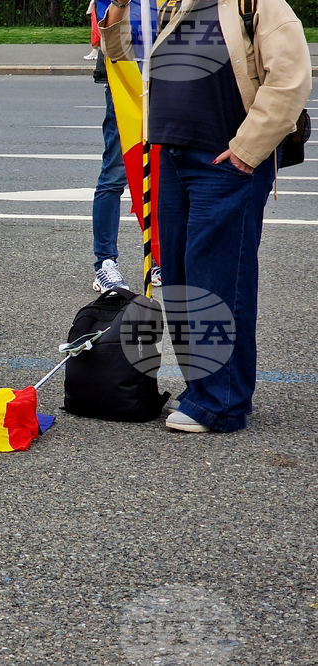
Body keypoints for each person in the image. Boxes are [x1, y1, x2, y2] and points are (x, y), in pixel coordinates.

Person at [101, 0, 310, 433]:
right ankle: (202, 390)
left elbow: (290, 80)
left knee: (217, 281)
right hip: (171, 156)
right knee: (178, 278)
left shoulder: (258, 4)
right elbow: (119, 57)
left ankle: (223, 403)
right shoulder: (169, 5)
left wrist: (247, 151)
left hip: (225, 163)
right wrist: (119, 6)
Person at [90, 49, 130, 294]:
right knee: (114, 175)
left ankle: (161, 258)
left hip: (167, 82)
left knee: (165, 176)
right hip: (125, 80)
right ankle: (105, 262)